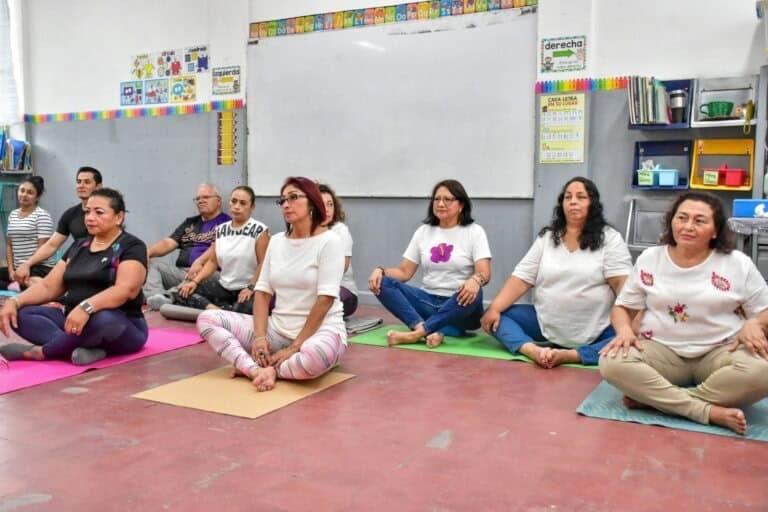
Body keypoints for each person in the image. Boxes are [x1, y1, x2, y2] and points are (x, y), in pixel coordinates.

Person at [599, 192, 768, 435]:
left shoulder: (736, 263)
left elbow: (765, 310)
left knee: (762, 370)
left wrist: (754, 323)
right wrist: (624, 330)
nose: (688, 226)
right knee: (612, 363)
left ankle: (657, 401)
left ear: (715, 230)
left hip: (720, 351)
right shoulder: (650, 258)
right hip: (662, 351)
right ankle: (707, 411)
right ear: (671, 222)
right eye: (682, 218)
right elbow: (622, 307)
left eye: (699, 221)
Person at [196, 177, 346, 391]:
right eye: (283, 200)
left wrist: (295, 346)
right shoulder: (276, 241)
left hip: (319, 333)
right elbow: (262, 292)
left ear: (312, 202)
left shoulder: (330, 241)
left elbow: (325, 300)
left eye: (293, 198)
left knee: (314, 357)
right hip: (277, 331)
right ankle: (254, 369)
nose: (286, 204)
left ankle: (273, 369)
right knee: (207, 319)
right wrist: (259, 338)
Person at [481, 177, 632, 368]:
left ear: (592, 203)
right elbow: (522, 278)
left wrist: (628, 324)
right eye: (568, 197)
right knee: (497, 316)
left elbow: (622, 284)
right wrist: (494, 308)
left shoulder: (610, 239)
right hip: (545, 322)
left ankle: (573, 355)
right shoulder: (548, 237)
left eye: (581, 197)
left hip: (596, 328)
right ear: (562, 204)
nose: (573, 201)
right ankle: (531, 350)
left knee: (626, 338)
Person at [0, 188, 149, 366]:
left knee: (104, 319)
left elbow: (126, 290)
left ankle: (40, 352)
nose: (90, 217)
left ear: (119, 217)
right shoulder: (79, 245)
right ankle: (81, 349)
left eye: (99, 212)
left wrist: (87, 307)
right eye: (87, 211)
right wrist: (14, 302)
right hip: (72, 322)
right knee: (22, 314)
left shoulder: (132, 246)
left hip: (121, 325)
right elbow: (48, 287)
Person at [368, 179, 491, 348]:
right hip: (428, 302)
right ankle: (430, 329)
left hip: (460, 305)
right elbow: (404, 272)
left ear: (461, 205)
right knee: (383, 282)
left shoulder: (474, 232)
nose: (440, 204)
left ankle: (418, 332)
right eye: (437, 199)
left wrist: (475, 280)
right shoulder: (423, 232)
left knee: (475, 291)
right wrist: (380, 271)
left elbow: (485, 273)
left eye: (447, 199)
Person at [176, 186, 269, 313]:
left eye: (243, 203)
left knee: (244, 308)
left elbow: (263, 263)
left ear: (252, 207)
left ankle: (224, 310)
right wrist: (194, 282)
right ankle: (218, 311)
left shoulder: (260, 230)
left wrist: (251, 287)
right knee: (184, 291)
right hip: (224, 287)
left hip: (247, 289)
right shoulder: (220, 230)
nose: (237, 206)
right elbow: (212, 262)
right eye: (234, 201)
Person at [144, 183, 230, 310]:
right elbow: (169, 243)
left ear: (218, 201)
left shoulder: (227, 223)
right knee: (154, 265)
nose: (201, 201)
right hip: (182, 272)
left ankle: (169, 297)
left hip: (208, 273)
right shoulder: (190, 222)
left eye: (205, 197)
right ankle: (157, 298)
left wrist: (200, 263)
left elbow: (219, 252)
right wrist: (147, 251)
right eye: (198, 199)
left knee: (201, 274)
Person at [14, 166, 102, 286]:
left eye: (87, 182)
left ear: (98, 186)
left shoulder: (107, 212)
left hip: (100, 264)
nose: (81, 185)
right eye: (78, 181)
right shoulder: (71, 214)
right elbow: (51, 245)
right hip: (75, 264)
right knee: (28, 279)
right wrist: (27, 264)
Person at [0, 177, 57, 290]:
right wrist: (11, 270)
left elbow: (43, 249)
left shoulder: (42, 216)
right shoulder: (13, 215)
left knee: (37, 285)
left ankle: (22, 286)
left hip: (38, 267)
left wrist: (25, 267)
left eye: (30, 192)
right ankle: (17, 285)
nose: (24, 195)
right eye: (22, 190)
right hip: (17, 268)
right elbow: (9, 245)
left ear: (37, 197)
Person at [318, 183, 358, 317]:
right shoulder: (304, 231)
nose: (327, 209)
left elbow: (343, 267)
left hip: (342, 290)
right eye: (323, 204)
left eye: (330, 204)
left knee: (323, 301)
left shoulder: (340, 230)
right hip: (311, 290)